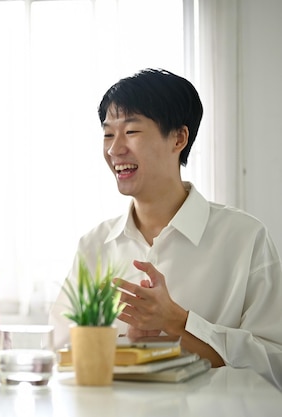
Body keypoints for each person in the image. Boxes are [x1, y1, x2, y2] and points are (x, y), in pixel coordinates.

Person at [48, 68, 282, 389]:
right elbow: (59, 350)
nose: (115, 149)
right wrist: (123, 344)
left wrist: (179, 323)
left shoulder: (245, 239)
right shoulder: (95, 244)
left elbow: (275, 363)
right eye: (107, 134)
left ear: (179, 138)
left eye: (131, 131)